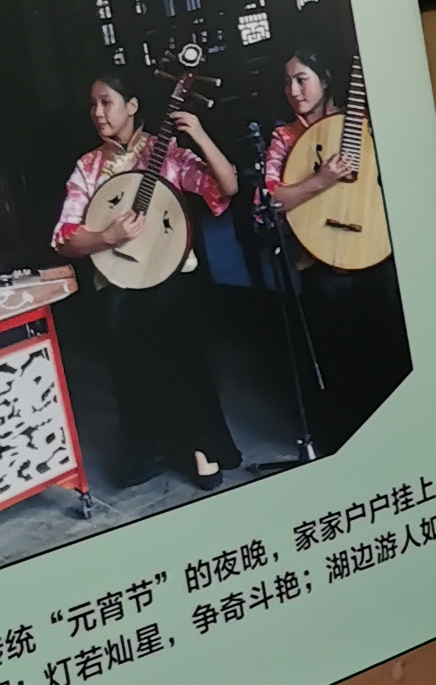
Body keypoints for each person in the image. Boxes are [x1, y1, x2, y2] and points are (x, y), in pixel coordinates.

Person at [52, 70, 243, 490]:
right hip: (120, 282)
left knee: (178, 342)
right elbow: (64, 237)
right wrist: (107, 237)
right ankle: (148, 449)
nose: (98, 112)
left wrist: (199, 135)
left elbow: (225, 187)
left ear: (132, 106)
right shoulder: (88, 168)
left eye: (107, 102)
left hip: (171, 278)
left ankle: (198, 445)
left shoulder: (165, 152)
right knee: (129, 344)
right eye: (93, 105)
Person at [260, 43, 405, 441]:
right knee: (340, 356)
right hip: (320, 261)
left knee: (389, 342)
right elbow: (270, 201)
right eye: (287, 82)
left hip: (373, 251)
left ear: (324, 81)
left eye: (301, 79)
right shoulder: (283, 138)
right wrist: (321, 180)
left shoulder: (362, 125)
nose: (294, 90)